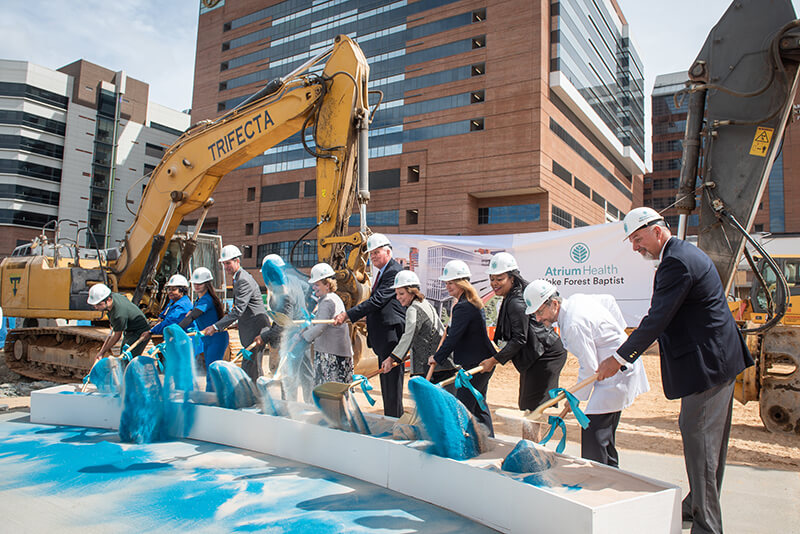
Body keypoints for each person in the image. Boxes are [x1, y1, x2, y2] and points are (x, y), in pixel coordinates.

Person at [597, 207, 754, 533]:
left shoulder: (677, 262)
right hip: (716, 359)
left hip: (709, 364)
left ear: (657, 231)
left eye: (638, 239)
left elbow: (657, 320)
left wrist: (619, 358)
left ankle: (707, 526)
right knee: (709, 445)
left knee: (699, 440)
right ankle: (697, 506)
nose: (635, 247)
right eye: (632, 241)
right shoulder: (679, 256)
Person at [525, 279, 649, 467]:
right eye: (535, 313)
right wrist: (619, 334)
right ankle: (610, 473)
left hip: (616, 374)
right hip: (614, 370)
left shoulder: (574, 324)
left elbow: (589, 367)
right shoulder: (575, 300)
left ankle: (597, 477)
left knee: (594, 430)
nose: (538, 318)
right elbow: (609, 300)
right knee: (603, 432)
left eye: (540, 311)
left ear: (554, 303)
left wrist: (573, 398)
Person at [478, 252, 567, 411]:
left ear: (512, 278)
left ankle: (535, 437)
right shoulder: (511, 296)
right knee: (528, 406)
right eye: (492, 279)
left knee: (533, 406)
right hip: (536, 353)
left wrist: (493, 360)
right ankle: (533, 436)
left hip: (545, 354)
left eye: (500, 279)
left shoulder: (516, 301)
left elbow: (520, 339)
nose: (494, 283)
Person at [333, 233, 406, 417]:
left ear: (388, 252)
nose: (372, 257)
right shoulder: (383, 272)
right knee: (387, 383)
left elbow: (377, 301)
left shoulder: (393, 272)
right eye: (371, 254)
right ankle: (391, 418)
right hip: (383, 333)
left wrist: (348, 314)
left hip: (391, 334)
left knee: (392, 385)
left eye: (376, 252)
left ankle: (394, 420)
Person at [428, 260, 496, 435]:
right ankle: (489, 439)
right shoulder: (470, 303)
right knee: (479, 404)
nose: (447, 286)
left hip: (476, 364)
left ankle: (462, 442)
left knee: (463, 405)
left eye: (451, 283)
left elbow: (453, 338)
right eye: (447, 283)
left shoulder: (464, 307)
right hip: (482, 362)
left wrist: (437, 357)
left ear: (461, 283)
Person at [202, 244, 269, 383]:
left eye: (228, 263)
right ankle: (254, 399)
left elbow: (238, 310)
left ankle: (259, 401)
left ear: (237, 261)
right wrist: (238, 323)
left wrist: (215, 327)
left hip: (256, 329)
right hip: (251, 327)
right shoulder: (238, 278)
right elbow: (245, 309)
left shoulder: (243, 279)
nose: (226, 267)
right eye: (224, 264)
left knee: (253, 367)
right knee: (249, 366)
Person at [257, 253, 315, 402]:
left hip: (293, 338)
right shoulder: (295, 280)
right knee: (307, 372)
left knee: (289, 376)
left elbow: (284, 324)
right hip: (304, 333)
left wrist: (264, 337)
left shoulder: (285, 294)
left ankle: (289, 408)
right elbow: (310, 291)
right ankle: (310, 404)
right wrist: (306, 311)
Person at [390, 270, 457, 393]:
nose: (398, 297)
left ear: (412, 291)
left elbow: (409, 335)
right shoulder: (424, 303)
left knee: (435, 406)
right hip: (443, 363)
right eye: (396, 293)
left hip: (433, 366)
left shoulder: (413, 309)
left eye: (401, 293)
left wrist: (392, 358)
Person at [300, 262, 353, 385]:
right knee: (339, 393)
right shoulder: (334, 298)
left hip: (330, 355)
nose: (314, 288)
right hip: (340, 353)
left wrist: (303, 337)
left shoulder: (327, 301)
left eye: (317, 285)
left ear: (327, 285)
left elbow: (320, 327)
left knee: (327, 394)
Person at [178, 267, 229, 391]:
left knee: (212, 372)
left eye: (199, 283)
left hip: (216, 339)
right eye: (194, 283)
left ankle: (214, 401)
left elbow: (192, 317)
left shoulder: (206, 300)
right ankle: (213, 397)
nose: (196, 286)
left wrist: (175, 329)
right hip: (208, 339)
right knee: (210, 370)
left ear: (206, 284)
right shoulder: (199, 299)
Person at [88, 283, 149, 361]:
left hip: (140, 332)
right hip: (129, 329)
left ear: (109, 300)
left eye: (99, 304)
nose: (96, 307)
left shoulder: (119, 314)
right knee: (123, 355)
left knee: (127, 359)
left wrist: (102, 352)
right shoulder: (112, 297)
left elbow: (117, 336)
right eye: (94, 305)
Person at [137, 274, 193, 346]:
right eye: (169, 289)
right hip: (175, 338)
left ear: (182, 291)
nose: (170, 292)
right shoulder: (173, 301)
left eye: (173, 289)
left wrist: (151, 332)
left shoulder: (182, 307)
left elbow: (169, 322)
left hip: (185, 342)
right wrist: (161, 317)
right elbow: (166, 310)